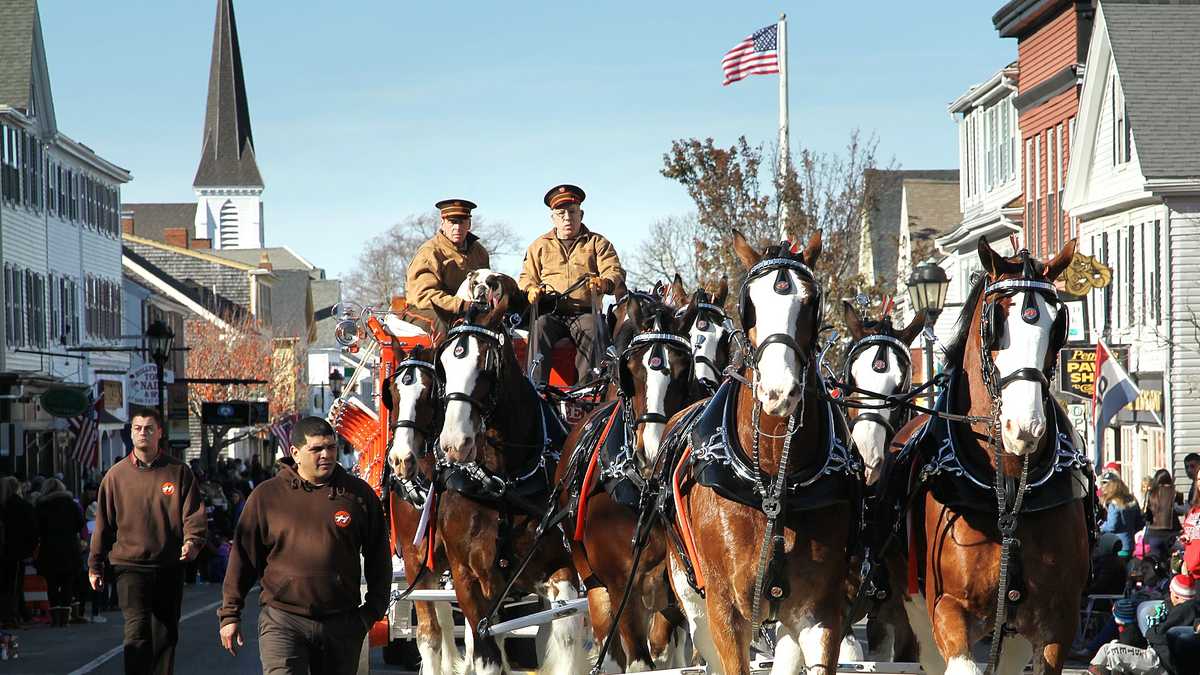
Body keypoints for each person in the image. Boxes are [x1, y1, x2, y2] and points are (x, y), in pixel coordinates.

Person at [217, 417, 391, 674]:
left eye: (331, 447)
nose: (326, 455)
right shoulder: (267, 496)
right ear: (295, 453)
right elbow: (242, 558)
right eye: (316, 449)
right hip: (282, 620)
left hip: (342, 622)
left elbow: (379, 555)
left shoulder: (358, 495)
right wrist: (230, 614)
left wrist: (371, 612)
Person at [89, 407, 207, 675]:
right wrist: (95, 565)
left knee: (166, 634)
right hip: (129, 566)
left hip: (168, 565)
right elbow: (103, 526)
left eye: (149, 428)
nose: (143, 433)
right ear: (131, 433)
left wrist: (192, 542)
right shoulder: (115, 476)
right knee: (137, 633)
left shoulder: (178, 472)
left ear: (160, 433)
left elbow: (194, 515)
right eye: (138, 428)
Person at [519, 184, 626, 383]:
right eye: (561, 213)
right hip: (551, 313)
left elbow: (614, 271)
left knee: (594, 328)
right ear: (553, 218)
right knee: (539, 326)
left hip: (585, 311)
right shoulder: (539, 245)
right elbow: (526, 277)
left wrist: (605, 283)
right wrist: (530, 289)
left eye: (572, 212)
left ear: (581, 214)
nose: (567, 218)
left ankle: (589, 387)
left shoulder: (598, 243)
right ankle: (536, 387)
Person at [404, 198, 491, 334]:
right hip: (423, 310)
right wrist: (461, 305)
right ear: (443, 223)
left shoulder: (480, 252)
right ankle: (441, 356)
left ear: (469, 223)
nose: (457, 227)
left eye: (462, 222)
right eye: (452, 222)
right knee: (445, 323)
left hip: (468, 309)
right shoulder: (430, 251)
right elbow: (423, 296)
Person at [34, 478, 85, 627]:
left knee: (51, 583)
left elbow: (37, 527)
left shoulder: (42, 506)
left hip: (49, 549)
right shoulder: (71, 505)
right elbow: (80, 523)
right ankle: (65, 617)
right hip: (69, 548)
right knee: (67, 582)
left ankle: (55, 617)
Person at [0, 475, 37, 628]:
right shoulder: (22, 506)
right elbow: (33, 530)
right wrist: (30, 549)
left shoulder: (4, 506)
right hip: (15, 551)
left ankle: (16, 613)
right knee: (14, 584)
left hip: (6, 550)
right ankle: (11, 615)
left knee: (6, 584)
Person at [1099, 470, 1144, 555]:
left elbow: (1112, 526)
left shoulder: (1114, 503)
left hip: (1118, 546)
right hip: (1131, 544)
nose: (1103, 486)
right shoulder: (1132, 500)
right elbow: (1139, 523)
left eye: (1105, 483)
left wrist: (1101, 526)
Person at [1143, 469, 1182, 563]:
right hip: (1172, 534)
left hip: (1154, 534)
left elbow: (1147, 516)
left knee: (1154, 564)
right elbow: (1180, 511)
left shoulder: (1150, 494)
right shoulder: (1176, 494)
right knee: (1174, 565)